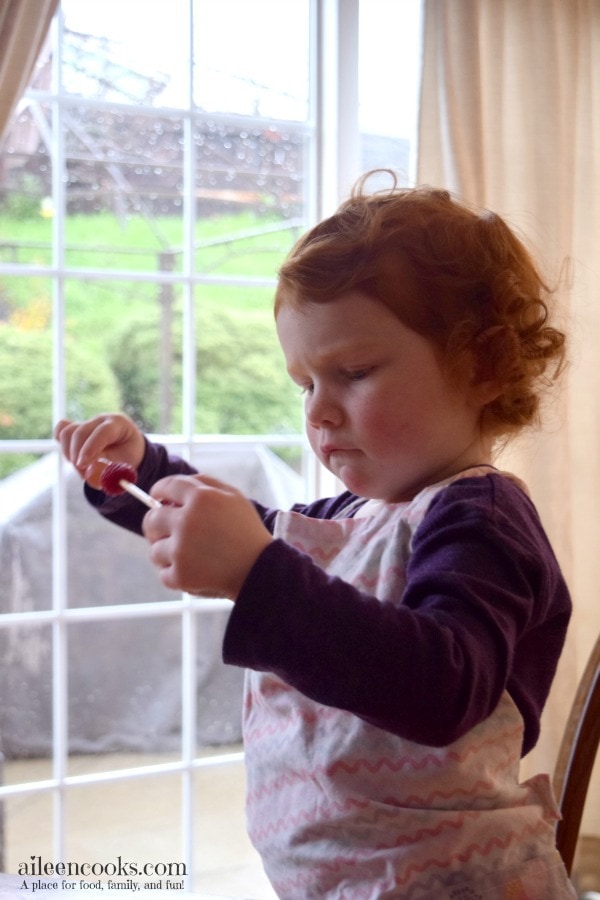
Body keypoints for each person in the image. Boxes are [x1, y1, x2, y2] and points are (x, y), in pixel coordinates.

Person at [55, 173, 576, 899]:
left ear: (481, 366)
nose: (319, 412)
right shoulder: (345, 520)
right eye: (305, 383)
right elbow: (247, 534)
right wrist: (145, 472)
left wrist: (256, 572)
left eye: (353, 372)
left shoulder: (480, 519)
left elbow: (443, 687)